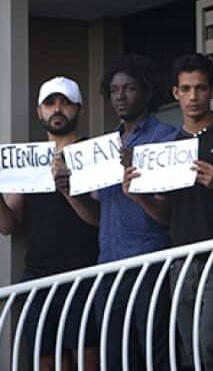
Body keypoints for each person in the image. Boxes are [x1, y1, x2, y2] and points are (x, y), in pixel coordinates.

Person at [54, 55, 176, 370]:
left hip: (149, 261)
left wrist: (135, 186)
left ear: (147, 92)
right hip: (109, 266)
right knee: (116, 356)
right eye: (114, 90)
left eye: (129, 89)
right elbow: (99, 218)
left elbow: (166, 214)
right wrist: (70, 193)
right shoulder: (104, 147)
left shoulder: (164, 138)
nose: (120, 97)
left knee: (154, 351)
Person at [123, 53, 213, 370]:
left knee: (211, 341)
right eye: (186, 89)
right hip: (181, 258)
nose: (193, 96)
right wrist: (139, 196)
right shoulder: (168, 146)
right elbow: (164, 215)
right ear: (175, 93)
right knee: (191, 348)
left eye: (200, 88)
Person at [0, 76, 99, 371]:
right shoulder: (26, 160)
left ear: (78, 108)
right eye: (50, 103)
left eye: (65, 102)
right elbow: (7, 225)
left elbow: (100, 218)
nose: (57, 109)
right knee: (46, 359)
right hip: (38, 276)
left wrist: (67, 188)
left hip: (84, 273)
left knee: (87, 357)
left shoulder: (92, 152)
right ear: (39, 112)